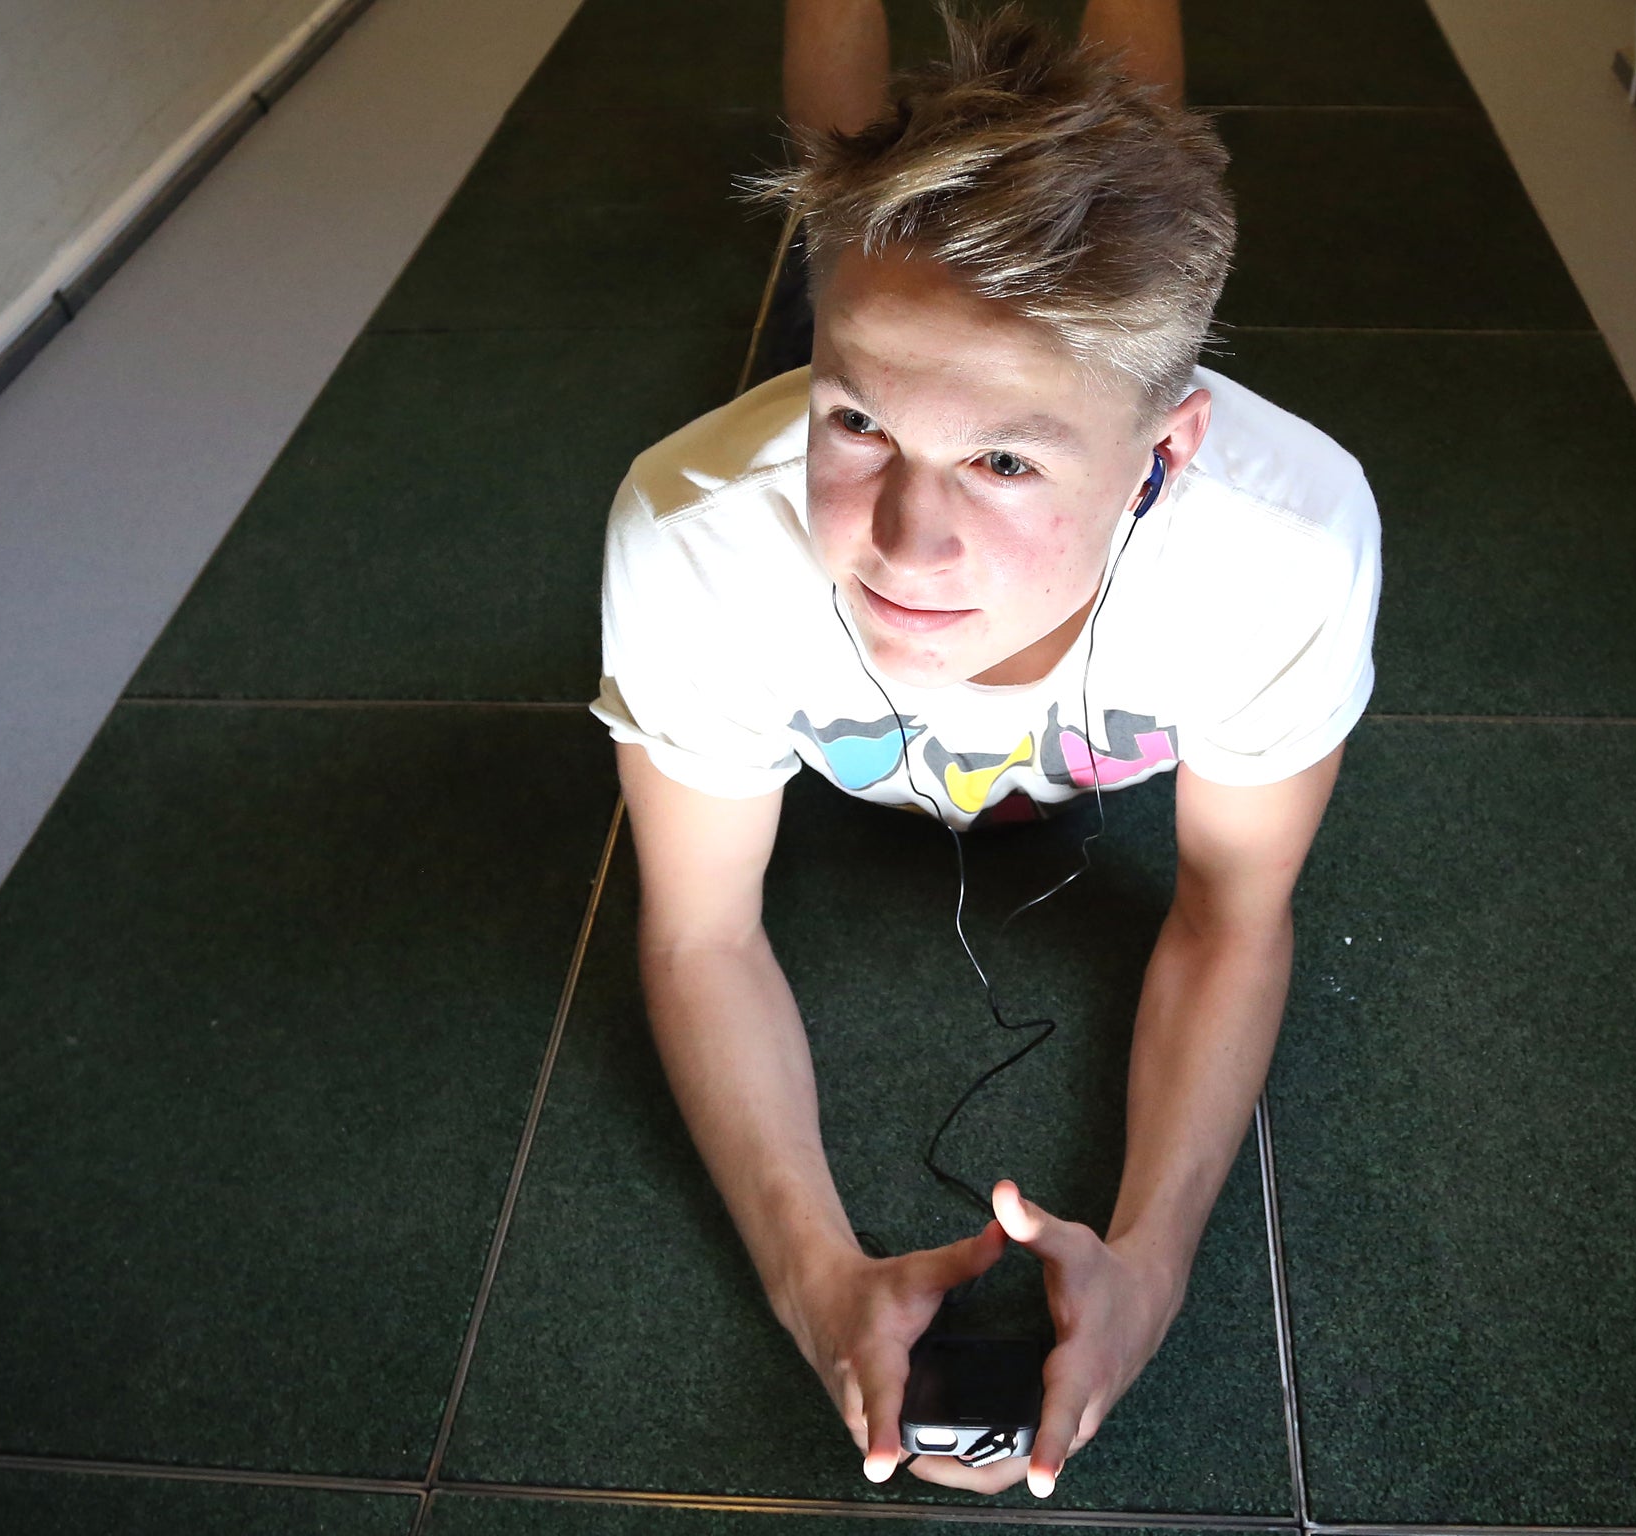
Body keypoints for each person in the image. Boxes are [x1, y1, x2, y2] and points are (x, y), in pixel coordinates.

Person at [589, 0, 1382, 1500]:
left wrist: (1153, 1264)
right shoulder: (697, 529)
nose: (905, 545)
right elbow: (699, 933)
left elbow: (1232, 916)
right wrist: (811, 1277)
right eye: (859, 429)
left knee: (1123, 158)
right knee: (842, 177)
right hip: (835, 364)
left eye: (1007, 460)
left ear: (1169, 453)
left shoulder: (1289, 542)